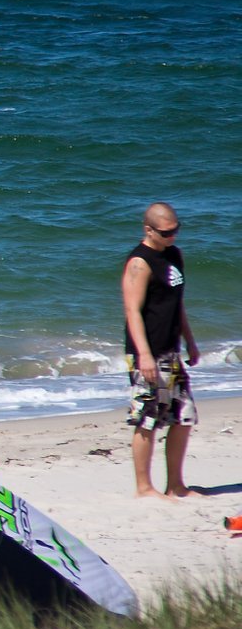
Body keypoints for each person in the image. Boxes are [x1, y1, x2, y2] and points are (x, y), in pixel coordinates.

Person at [122, 201, 199, 498]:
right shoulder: (139, 262)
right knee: (148, 419)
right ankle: (144, 487)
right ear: (148, 229)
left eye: (175, 231)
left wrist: (190, 341)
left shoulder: (174, 255)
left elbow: (176, 304)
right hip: (148, 353)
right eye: (166, 233)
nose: (172, 237)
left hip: (171, 351)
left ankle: (176, 485)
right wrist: (143, 354)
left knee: (183, 417)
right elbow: (132, 310)